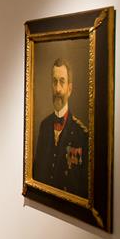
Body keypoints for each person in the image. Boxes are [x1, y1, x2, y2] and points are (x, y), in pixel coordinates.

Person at [33, 58, 88, 196]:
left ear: (70, 89)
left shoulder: (81, 134)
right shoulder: (44, 126)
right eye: (54, 81)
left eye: (62, 82)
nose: (58, 89)